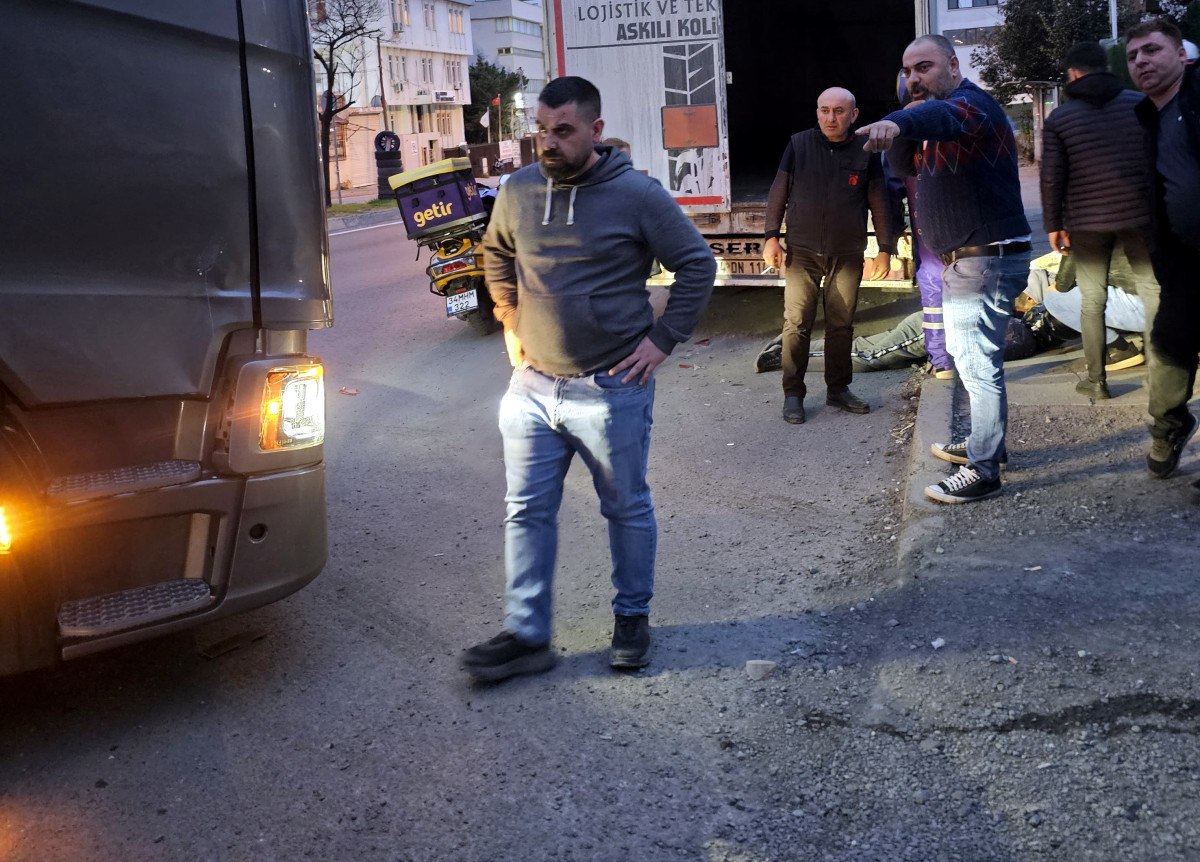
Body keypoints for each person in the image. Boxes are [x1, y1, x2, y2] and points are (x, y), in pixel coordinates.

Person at [465, 77, 715, 683]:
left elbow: (697, 264)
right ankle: (527, 635)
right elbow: (495, 252)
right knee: (525, 511)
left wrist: (661, 341)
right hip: (531, 388)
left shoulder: (637, 195)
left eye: (563, 130)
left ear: (595, 130)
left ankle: (631, 619)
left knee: (625, 508)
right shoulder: (519, 190)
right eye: (541, 130)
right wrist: (508, 315)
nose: (548, 142)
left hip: (610, 388)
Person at [857, 34, 1032, 504]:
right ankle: (985, 443)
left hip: (985, 259)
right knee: (970, 357)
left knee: (975, 363)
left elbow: (944, 116)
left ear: (953, 66)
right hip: (965, 262)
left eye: (925, 67)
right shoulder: (929, 120)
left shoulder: (972, 106)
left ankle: (984, 470)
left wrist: (899, 119)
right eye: (907, 71)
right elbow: (904, 167)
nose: (914, 78)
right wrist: (903, 120)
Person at [762, 87, 898, 425]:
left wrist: (884, 249)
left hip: (847, 253)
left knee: (841, 325)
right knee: (797, 323)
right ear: (817, 112)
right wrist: (771, 237)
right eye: (824, 110)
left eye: (839, 111)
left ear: (854, 115)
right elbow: (779, 191)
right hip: (802, 252)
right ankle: (793, 394)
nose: (831, 118)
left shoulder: (865, 150)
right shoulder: (799, 144)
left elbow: (879, 201)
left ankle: (838, 389)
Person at [1040, 40, 1158, 402]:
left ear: (1073, 74)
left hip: (1087, 223)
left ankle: (1097, 381)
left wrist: (1053, 224)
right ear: (1106, 67)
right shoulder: (1139, 103)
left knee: (1092, 301)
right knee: (1153, 293)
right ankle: (1161, 376)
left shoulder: (1060, 118)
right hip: (1140, 216)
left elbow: (1052, 177)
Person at [1127, 19, 1200, 481]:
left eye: (1151, 50)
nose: (1141, 61)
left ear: (1181, 55)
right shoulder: (1146, 116)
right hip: (1179, 259)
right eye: (1133, 56)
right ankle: (1170, 426)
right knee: (1169, 344)